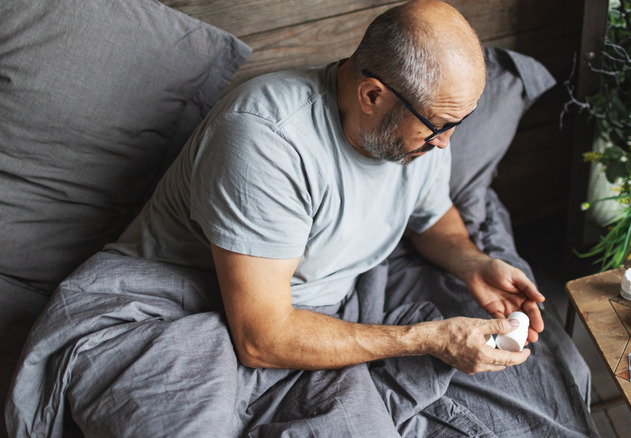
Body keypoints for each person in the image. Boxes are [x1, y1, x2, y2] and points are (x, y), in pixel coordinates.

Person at [107, 0, 546, 376]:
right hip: (200, 311)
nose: (446, 141)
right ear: (372, 96)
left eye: (458, 123)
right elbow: (261, 340)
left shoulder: (426, 127)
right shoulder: (264, 140)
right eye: (438, 126)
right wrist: (428, 339)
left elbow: (430, 215)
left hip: (321, 310)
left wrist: (472, 264)